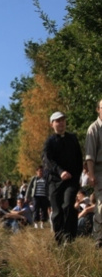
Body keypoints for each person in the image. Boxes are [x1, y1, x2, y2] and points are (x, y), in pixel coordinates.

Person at [43, 111, 83, 245]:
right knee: (57, 211)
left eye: (63, 120)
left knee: (69, 206)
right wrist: (60, 171)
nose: (61, 123)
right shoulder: (50, 142)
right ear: (52, 124)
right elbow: (48, 161)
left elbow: (79, 158)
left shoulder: (72, 138)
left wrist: (78, 177)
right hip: (55, 181)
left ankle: (70, 239)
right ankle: (59, 241)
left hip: (71, 180)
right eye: (57, 121)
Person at [85, 99, 102, 248]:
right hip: (99, 171)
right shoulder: (94, 129)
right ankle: (98, 239)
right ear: (98, 109)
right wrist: (91, 175)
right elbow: (89, 156)